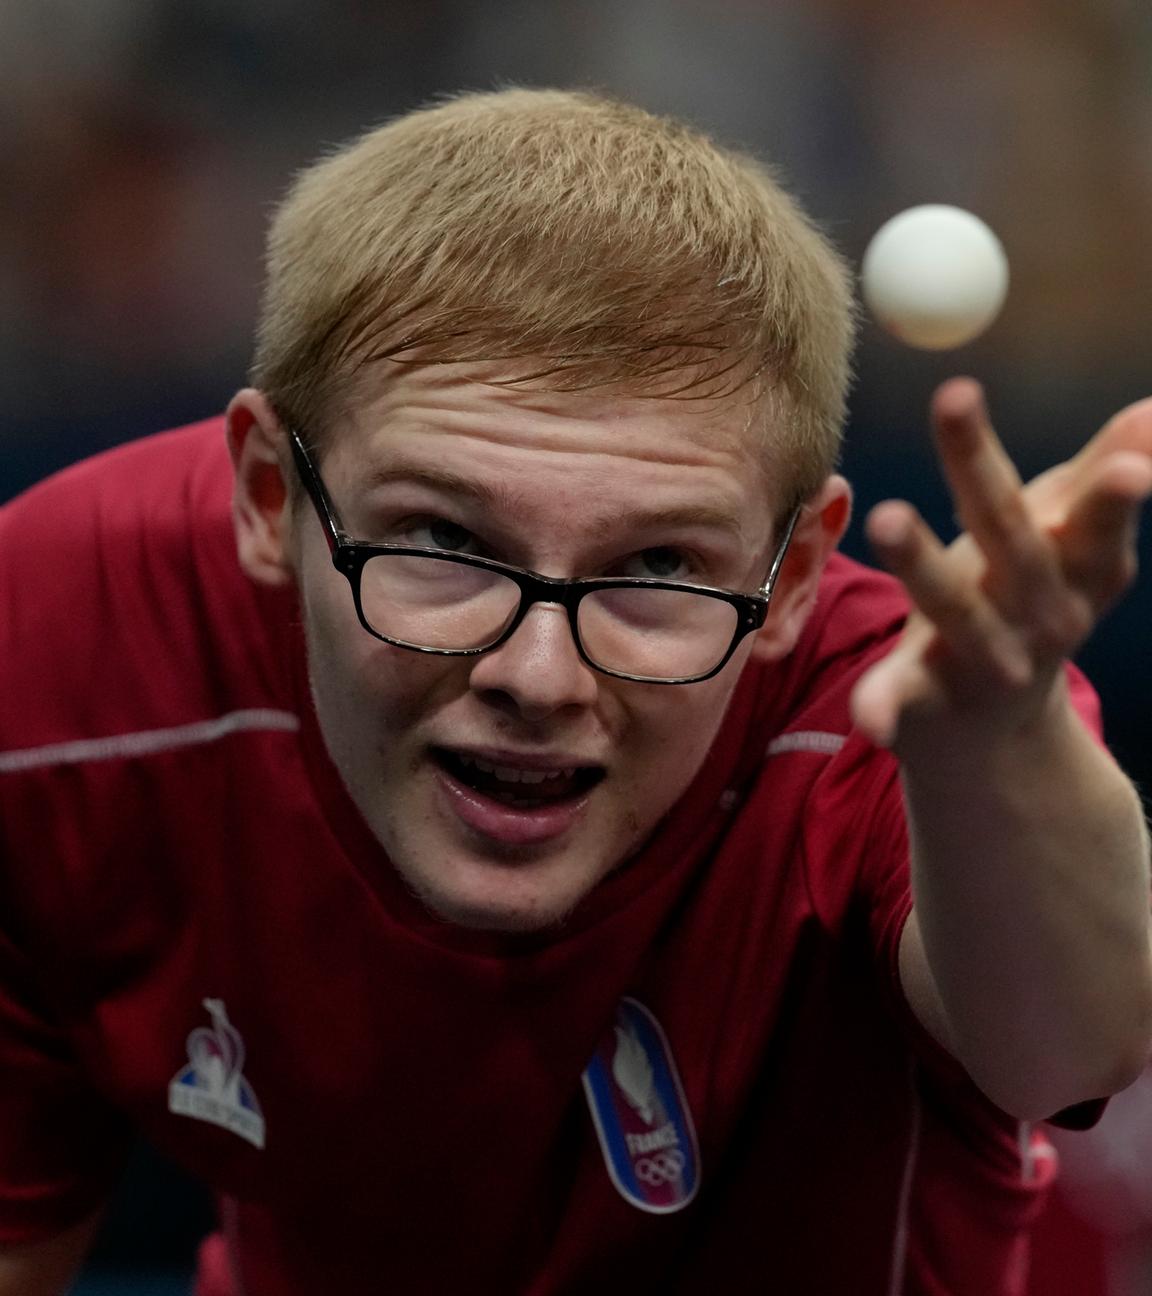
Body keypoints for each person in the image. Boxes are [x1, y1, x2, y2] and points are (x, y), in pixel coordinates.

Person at [1, 88, 1150, 1296]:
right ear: (270, 499)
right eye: (442, 539)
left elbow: (1064, 1053)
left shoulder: (904, 719)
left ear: (796, 570)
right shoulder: (66, 633)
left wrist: (998, 743)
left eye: (658, 565)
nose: (538, 678)